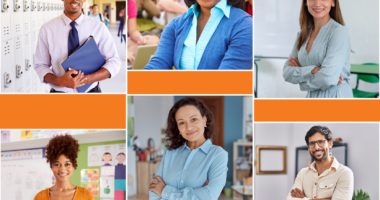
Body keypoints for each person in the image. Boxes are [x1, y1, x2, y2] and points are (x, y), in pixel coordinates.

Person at [149, 97, 228, 200]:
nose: (189, 127)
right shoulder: (170, 152)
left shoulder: (218, 155)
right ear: (177, 128)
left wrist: (165, 191)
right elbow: (154, 191)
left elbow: (209, 196)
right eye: (182, 122)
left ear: (204, 120)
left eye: (193, 119)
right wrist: (196, 194)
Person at [34, 0, 120, 93]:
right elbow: (40, 65)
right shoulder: (47, 29)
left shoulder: (98, 27)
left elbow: (114, 61)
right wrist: (59, 81)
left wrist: (86, 79)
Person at [144, 0, 252, 70]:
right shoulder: (175, 26)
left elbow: (226, 83)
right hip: (180, 102)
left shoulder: (244, 26)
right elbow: (156, 67)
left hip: (219, 104)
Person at [283, 0, 352, 98]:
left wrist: (302, 81)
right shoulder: (302, 35)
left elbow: (328, 78)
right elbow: (286, 72)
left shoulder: (339, 32)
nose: (317, 3)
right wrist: (313, 70)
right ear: (306, 2)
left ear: (333, 2)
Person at [287, 126, 354, 200]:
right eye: (312, 143)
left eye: (320, 142)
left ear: (330, 143)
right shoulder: (303, 173)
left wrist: (303, 198)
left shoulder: (344, 173)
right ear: (308, 147)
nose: (316, 147)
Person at [34, 135, 94, 200]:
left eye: (67, 164)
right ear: (51, 166)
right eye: (57, 164)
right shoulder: (40, 197)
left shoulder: (86, 195)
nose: (62, 170)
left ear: (74, 166)